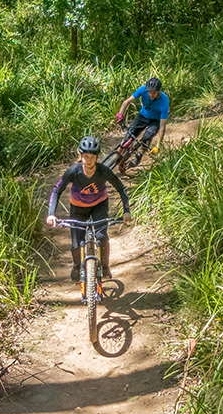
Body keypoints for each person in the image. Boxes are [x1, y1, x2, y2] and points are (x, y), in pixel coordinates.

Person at [46, 136, 133, 285]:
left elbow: (121, 188)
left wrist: (126, 210)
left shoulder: (103, 171)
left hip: (99, 205)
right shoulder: (73, 171)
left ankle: (105, 267)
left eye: (92, 156)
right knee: (76, 243)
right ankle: (77, 266)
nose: (89, 159)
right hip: (78, 208)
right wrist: (51, 214)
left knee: (101, 236)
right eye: (86, 156)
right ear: (80, 155)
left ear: (97, 157)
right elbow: (57, 190)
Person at [113, 77, 168, 167]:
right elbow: (126, 102)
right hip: (143, 116)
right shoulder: (143, 90)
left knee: (147, 137)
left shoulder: (164, 102)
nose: (151, 94)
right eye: (149, 92)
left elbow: (162, 127)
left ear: (159, 91)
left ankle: (139, 156)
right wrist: (120, 113)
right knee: (128, 135)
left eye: (154, 92)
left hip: (155, 121)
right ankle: (116, 157)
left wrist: (159, 145)